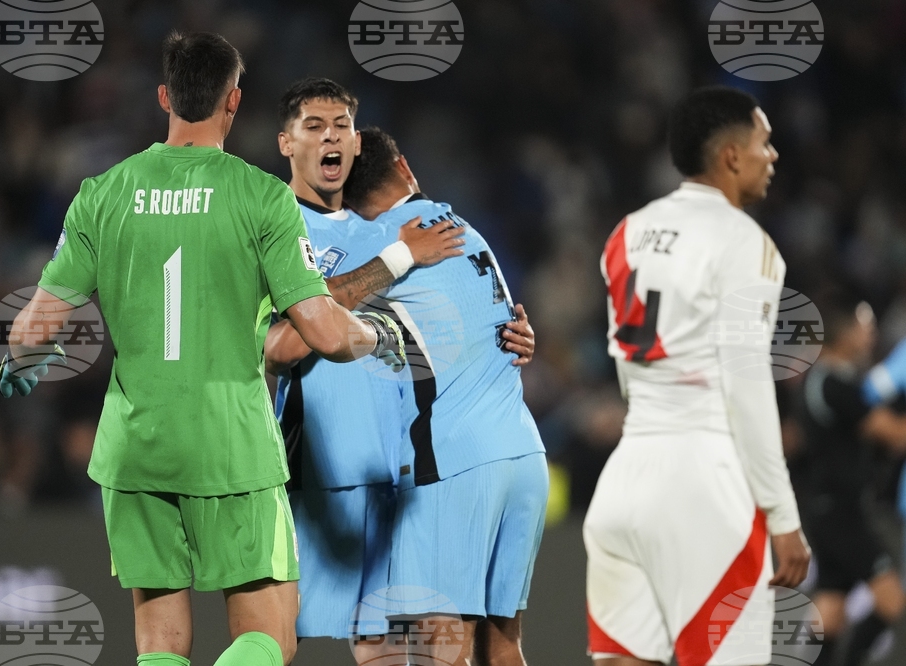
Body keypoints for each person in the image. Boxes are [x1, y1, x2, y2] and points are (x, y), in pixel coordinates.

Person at [0, 33, 406, 666]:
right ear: (233, 102)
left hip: (137, 450)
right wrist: (377, 336)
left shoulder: (101, 194)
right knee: (268, 637)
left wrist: (24, 362)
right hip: (230, 447)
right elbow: (324, 331)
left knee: (160, 646)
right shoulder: (261, 197)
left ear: (165, 97)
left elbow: (29, 333)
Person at [264, 79, 536, 661]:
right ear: (286, 143)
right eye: (315, 126)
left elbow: (451, 305)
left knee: (413, 641)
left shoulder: (380, 225)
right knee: (308, 638)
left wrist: (503, 336)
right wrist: (400, 258)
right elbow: (281, 342)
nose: (331, 138)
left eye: (341, 127)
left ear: (357, 144)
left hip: (412, 467)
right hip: (329, 468)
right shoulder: (274, 223)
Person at [583, 86, 811, 666]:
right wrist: (783, 516)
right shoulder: (744, 240)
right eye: (764, 141)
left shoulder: (625, 232)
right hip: (705, 485)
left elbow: (628, 371)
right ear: (732, 155)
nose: (773, 154)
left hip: (624, 479)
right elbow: (746, 383)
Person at [338, 127, 548, 666]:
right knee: (503, 648)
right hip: (523, 451)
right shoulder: (462, 223)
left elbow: (315, 302)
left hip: (456, 460)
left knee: (441, 652)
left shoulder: (381, 240)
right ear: (405, 167)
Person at [789, 293, 906, 666]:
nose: (870, 334)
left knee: (830, 614)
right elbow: (895, 434)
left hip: (826, 511)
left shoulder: (815, 382)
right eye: (863, 325)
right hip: (844, 515)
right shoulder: (835, 385)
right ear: (844, 333)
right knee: (896, 605)